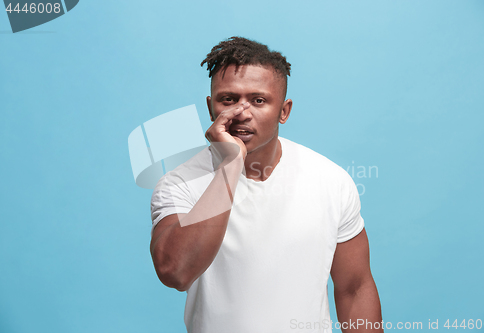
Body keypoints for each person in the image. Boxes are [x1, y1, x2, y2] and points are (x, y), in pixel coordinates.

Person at [150, 36, 383, 333]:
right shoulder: (179, 183)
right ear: (211, 108)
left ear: (283, 111)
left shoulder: (331, 180)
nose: (241, 112)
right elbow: (176, 272)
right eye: (228, 99)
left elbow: (354, 288)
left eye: (258, 100)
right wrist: (231, 164)